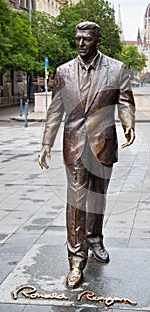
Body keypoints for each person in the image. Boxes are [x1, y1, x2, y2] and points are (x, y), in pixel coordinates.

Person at [38, 21, 135, 289]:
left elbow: (125, 100)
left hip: (103, 143)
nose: (81, 43)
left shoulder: (116, 69)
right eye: (78, 38)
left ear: (97, 41)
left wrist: (128, 123)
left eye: (86, 39)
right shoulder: (63, 71)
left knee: (98, 198)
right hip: (75, 145)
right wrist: (46, 142)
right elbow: (55, 110)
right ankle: (76, 260)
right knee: (76, 201)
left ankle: (95, 238)